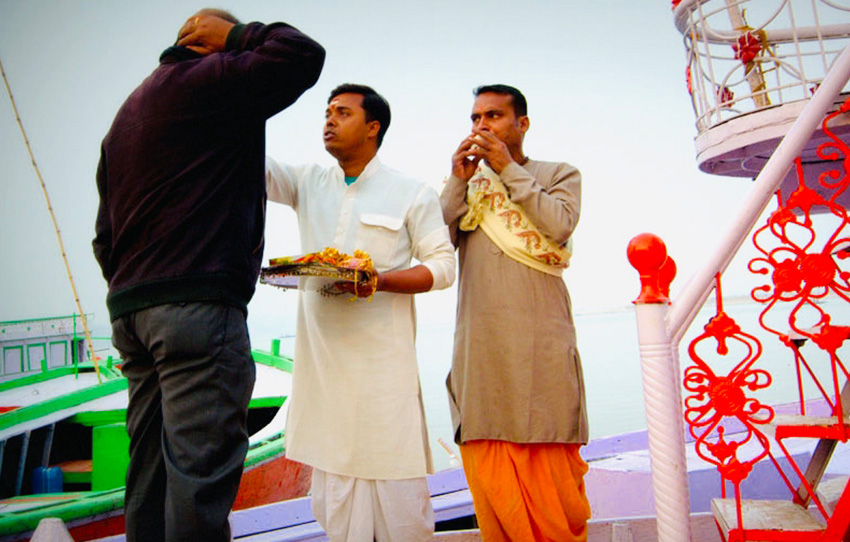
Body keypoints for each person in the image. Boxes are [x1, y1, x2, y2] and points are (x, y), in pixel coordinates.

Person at [92, 9, 324, 542]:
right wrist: (239, 37)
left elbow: (104, 236)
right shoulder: (212, 82)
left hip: (132, 315)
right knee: (200, 476)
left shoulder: (126, 117)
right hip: (196, 310)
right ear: (214, 45)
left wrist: (134, 291)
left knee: (148, 473)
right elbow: (301, 55)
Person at [265, 83, 455, 541]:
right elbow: (250, 165)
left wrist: (380, 280)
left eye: (343, 113)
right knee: (333, 499)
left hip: (382, 373)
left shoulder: (412, 192)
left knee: (400, 499)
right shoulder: (307, 180)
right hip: (322, 374)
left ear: (373, 128)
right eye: (327, 112)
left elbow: (444, 266)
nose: (329, 121)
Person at [440, 84, 591, 541]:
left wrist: (507, 169)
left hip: (540, 343)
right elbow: (435, 243)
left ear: (521, 124)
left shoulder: (559, 173)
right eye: (475, 118)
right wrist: (457, 179)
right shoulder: (468, 187)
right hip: (481, 351)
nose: (481, 126)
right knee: (486, 451)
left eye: (493, 116)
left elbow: (559, 223)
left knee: (549, 441)